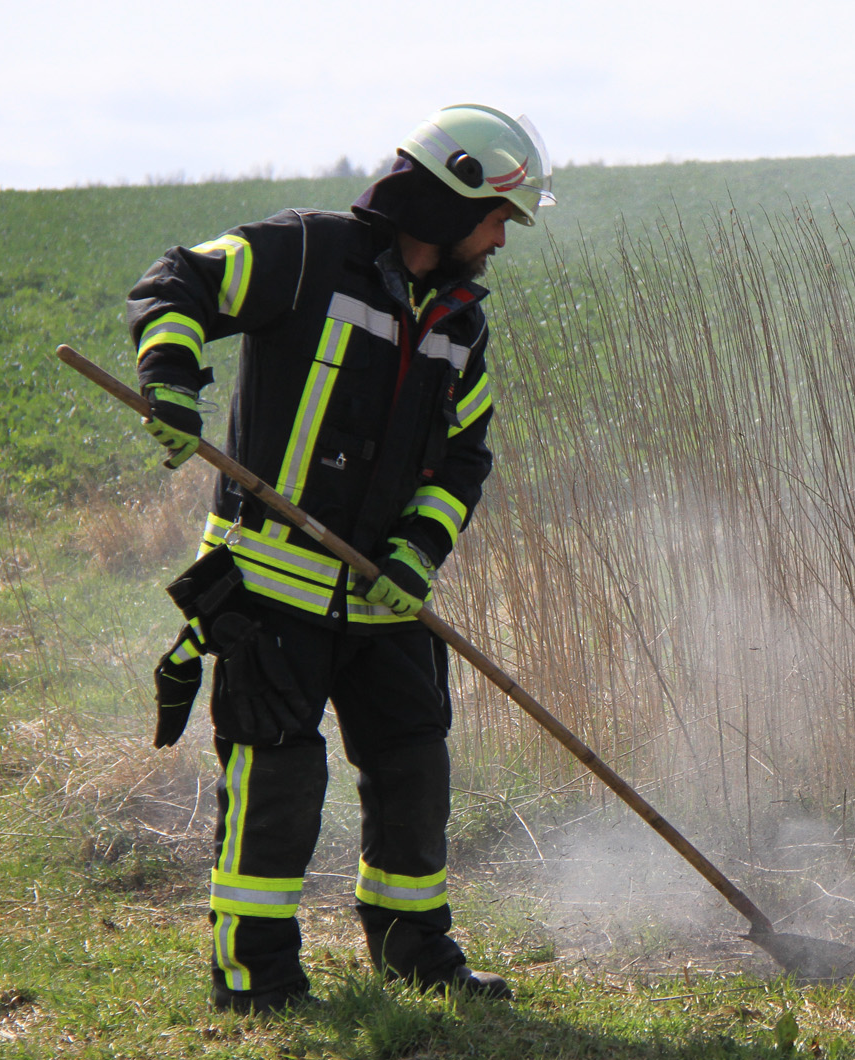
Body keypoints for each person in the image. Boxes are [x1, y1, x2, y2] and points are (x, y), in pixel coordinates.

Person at [125, 104, 553, 1013]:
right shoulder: (306, 255)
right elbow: (179, 282)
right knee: (278, 778)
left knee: (413, 763)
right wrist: (169, 381)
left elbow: (464, 456)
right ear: (447, 200)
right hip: (267, 591)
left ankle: (413, 950)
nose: (501, 242)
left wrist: (416, 551)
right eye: (496, 218)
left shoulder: (460, 321)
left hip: (381, 601)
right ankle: (259, 982)